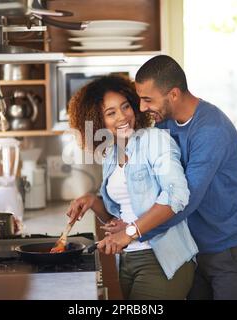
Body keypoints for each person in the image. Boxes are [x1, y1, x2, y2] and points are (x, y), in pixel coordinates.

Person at [132, 55, 237, 300]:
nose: (141, 107)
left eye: (148, 99)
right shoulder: (165, 125)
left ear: (173, 94)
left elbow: (184, 199)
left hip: (230, 251)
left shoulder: (211, 130)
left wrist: (135, 231)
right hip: (194, 249)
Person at [66, 74, 198, 300]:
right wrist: (93, 202)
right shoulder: (110, 155)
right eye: (111, 113)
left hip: (162, 259)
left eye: (125, 106)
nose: (122, 116)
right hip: (127, 260)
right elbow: (117, 219)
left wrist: (130, 232)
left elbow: (177, 195)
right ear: (98, 122)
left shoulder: (154, 140)